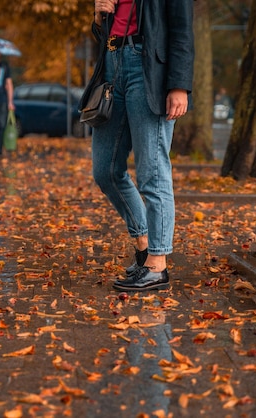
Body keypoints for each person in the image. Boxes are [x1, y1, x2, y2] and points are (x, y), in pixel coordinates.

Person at [84, 0, 194, 291]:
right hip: (112, 63)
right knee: (105, 170)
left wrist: (179, 85)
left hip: (147, 68)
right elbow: (105, 34)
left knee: (152, 174)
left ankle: (157, 265)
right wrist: (99, 16)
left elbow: (182, 30)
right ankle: (144, 245)